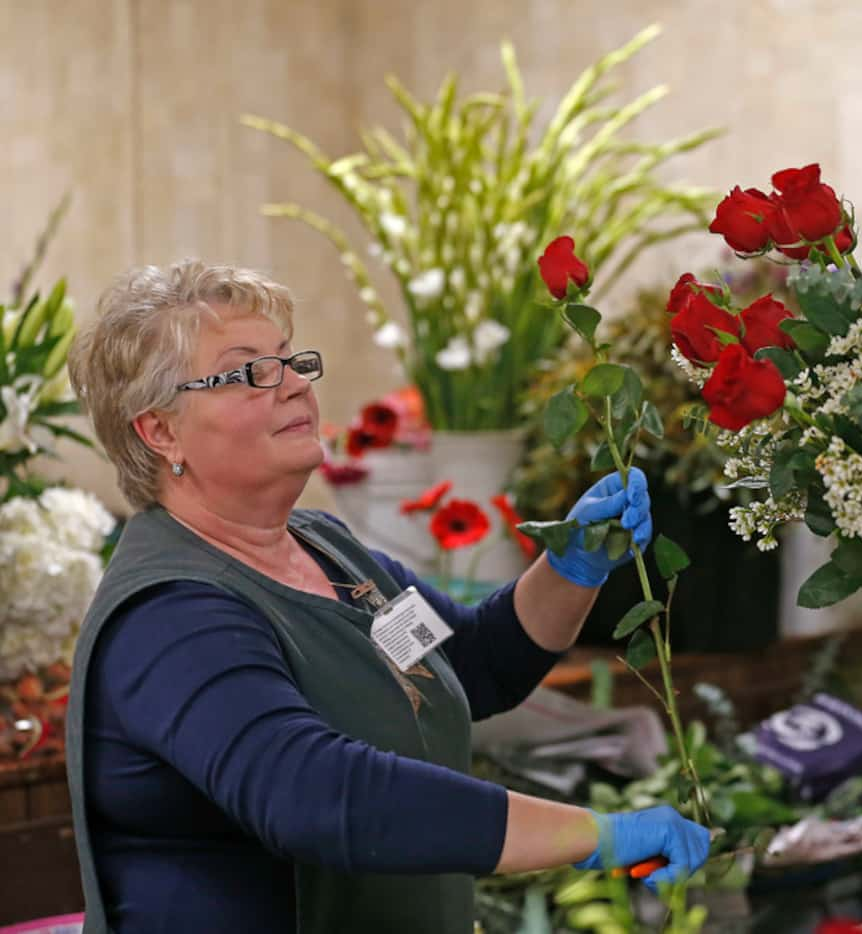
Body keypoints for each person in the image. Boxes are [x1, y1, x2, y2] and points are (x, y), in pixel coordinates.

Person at [63, 260, 711, 934]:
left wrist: (572, 565)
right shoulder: (171, 614)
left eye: (291, 362)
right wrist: (597, 834)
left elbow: (474, 665)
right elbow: (315, 794)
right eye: (249, 372)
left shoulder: (327, 550)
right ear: (160, 431)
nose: (292, 387)